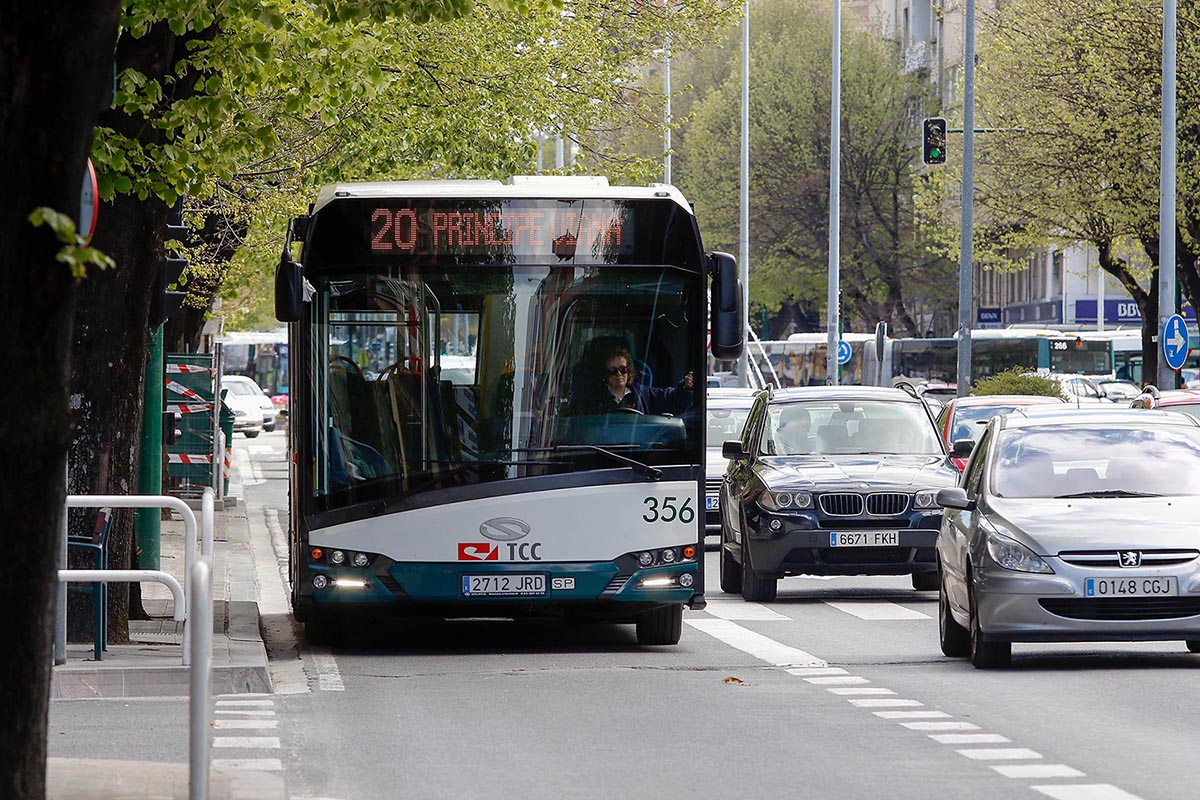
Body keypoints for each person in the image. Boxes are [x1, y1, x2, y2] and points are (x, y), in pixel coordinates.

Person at [592, 343, 694, 415]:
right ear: (605, 374)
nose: (619, 374)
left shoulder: (643, 394)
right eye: (613, 370)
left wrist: (685, 387)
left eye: (623, 369)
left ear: (629, 370)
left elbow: (671, 399)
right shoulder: (594, 400)